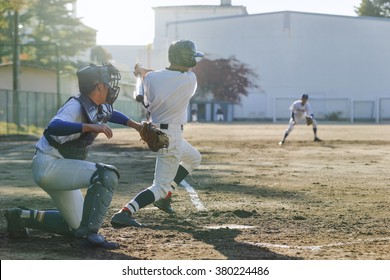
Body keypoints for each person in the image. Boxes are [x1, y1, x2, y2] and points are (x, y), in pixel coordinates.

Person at [3, 62, 142, 249]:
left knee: (76, 225)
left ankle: (20, 217)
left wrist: (136, 126)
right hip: (49, 165)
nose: (111, 87)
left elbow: (110, 113)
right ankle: (90, 237)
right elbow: (53, 127)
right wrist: (89, 127)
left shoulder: (98, 105)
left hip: (60, 166)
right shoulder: (75, 106)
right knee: (106, 175)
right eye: (108, 83)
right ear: (99, 86)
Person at [110, 39, 203, 228]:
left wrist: (141, 72)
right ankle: (126, 211)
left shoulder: (151, 79)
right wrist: (143, 71)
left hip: (158, 130)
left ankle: (166, 196)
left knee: (194, 158)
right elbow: (167, 75)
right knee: (159, 186)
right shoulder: (189, 80)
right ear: (185, 58)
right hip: (171, 137)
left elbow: (157, 76)